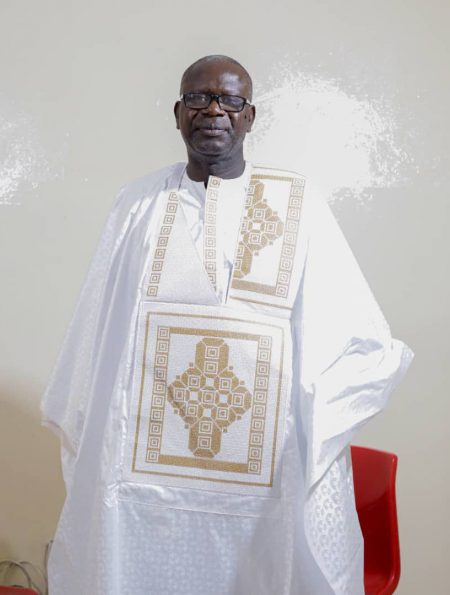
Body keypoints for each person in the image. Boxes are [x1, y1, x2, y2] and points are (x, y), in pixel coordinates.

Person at [41, 55, 414, 595]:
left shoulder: (299, 205)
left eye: (230, 100)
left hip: (265, 475)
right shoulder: (138, 204)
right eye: (198, 98)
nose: (213, 111)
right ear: (177, 113)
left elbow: (355, 336)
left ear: (250, 116)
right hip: (146, 479)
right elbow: (99, 335)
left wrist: (313, 420)